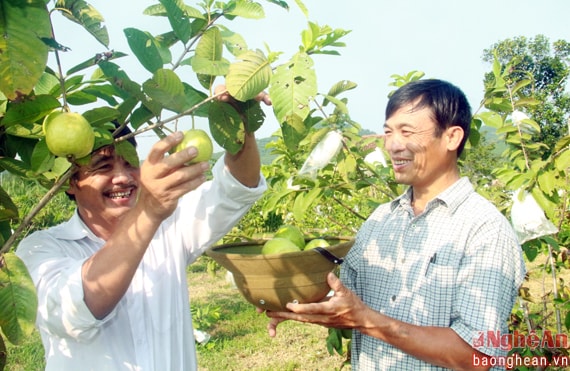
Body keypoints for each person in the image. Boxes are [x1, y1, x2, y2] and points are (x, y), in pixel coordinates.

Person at [263, 79, 526, 370]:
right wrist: (286, 297)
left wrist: (367, 320)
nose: (393, 145)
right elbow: (344, 300)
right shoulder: (380, 220)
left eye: (406, 131)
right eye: (388, 131)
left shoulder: (484, 229)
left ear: (452, 138)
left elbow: (479, 356)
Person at [16, 89, 270, 370]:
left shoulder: (169, 224)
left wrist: (238, 118)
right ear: (70, 182)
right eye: (103, 166)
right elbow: (76, 310)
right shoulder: (40, 248)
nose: (123, 177)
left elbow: (238, 187)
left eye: (129, 162)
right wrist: (148, 211)